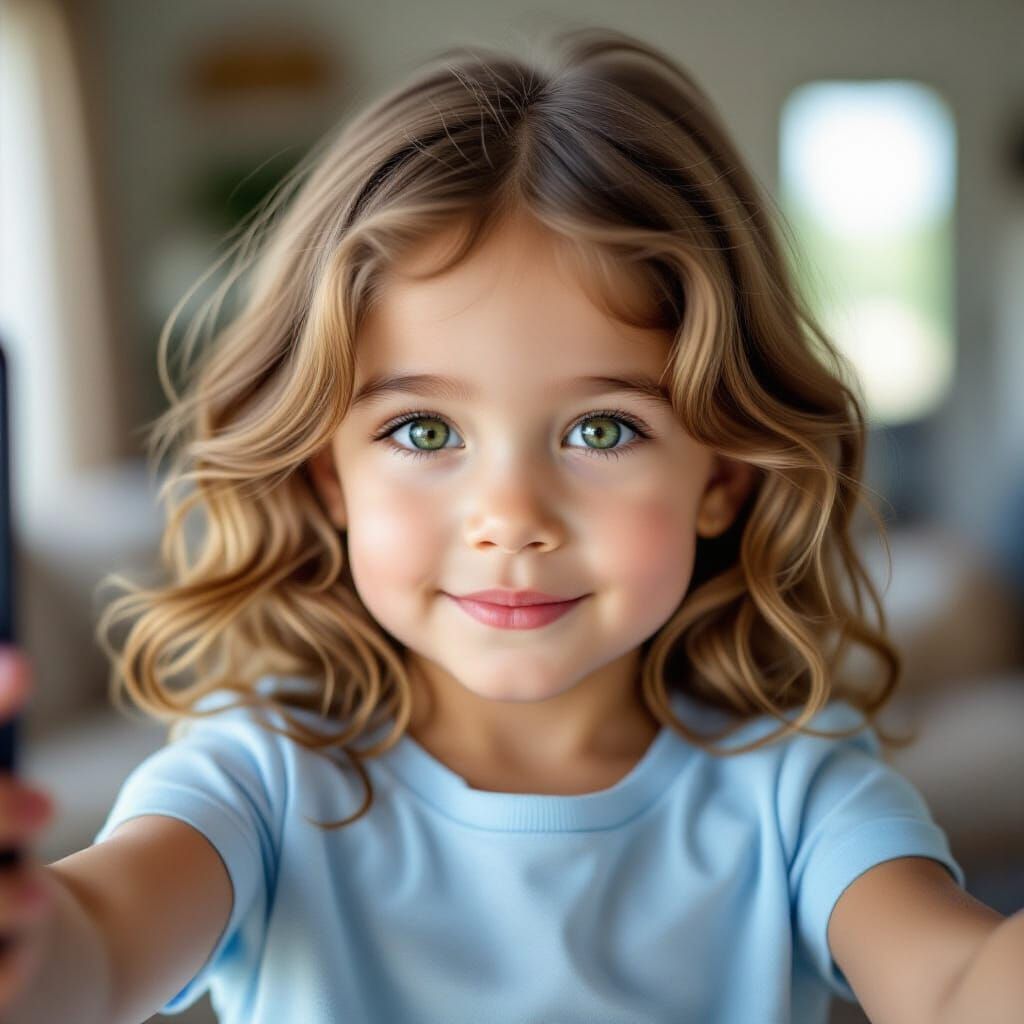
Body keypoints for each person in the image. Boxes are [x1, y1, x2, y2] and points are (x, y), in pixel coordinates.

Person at [2, 24, 1021, 1024]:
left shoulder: (795, 791)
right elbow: (89, 959)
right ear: (326, 475)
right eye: (424, 427)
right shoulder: (258, 776)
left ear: (722, 475)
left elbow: (949, 986)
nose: (512, 519)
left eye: (602, 428)